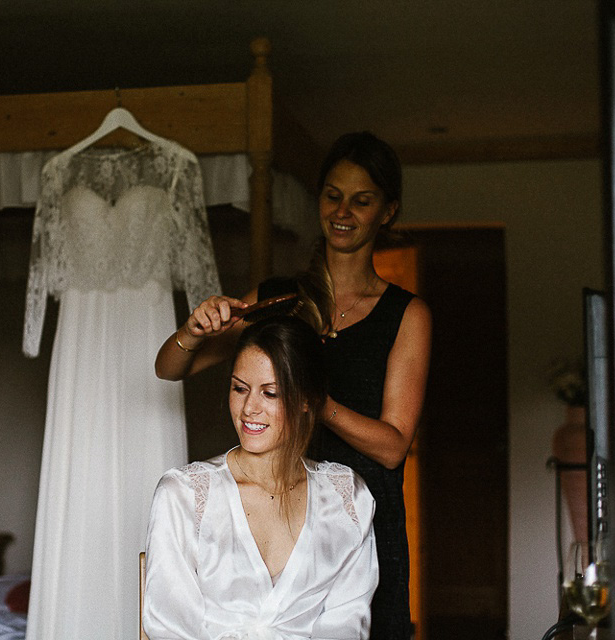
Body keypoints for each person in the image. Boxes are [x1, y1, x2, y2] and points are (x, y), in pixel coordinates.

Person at [154, 131, 432, 640]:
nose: (343, 211)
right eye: (332, 195)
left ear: (387, 211)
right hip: (272, 505)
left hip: (357, 518)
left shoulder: (406, 314)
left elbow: (393, 448)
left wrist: (307, 401)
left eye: (361, 200)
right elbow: (169, 368)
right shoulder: (278, 299)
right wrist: (192, 332)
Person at [143, 316, 379, 639]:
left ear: (307, 400)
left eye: (270, 393)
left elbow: (346, 624)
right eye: (240, 388)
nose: (249, 408)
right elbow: (171, 629)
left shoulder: (346, 499)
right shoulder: (183, 496)